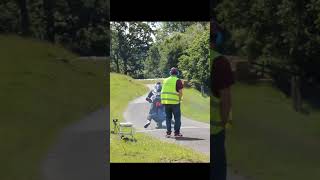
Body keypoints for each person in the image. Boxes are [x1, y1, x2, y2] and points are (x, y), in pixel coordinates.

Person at [210, 19, 234, 180]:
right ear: (216, 37)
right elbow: (225, 99)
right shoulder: (219, 62)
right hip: (214, 131)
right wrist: (224, 123)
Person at [161, 67, 184, 137]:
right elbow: (180, 92)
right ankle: (176, 133)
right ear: (177, 73)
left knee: (168, 118)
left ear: (170, 73)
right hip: (175, 103)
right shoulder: (178, 80)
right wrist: (180, 99)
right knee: (177, 118)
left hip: (166, 102)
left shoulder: (165, 80)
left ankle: (168, 133)